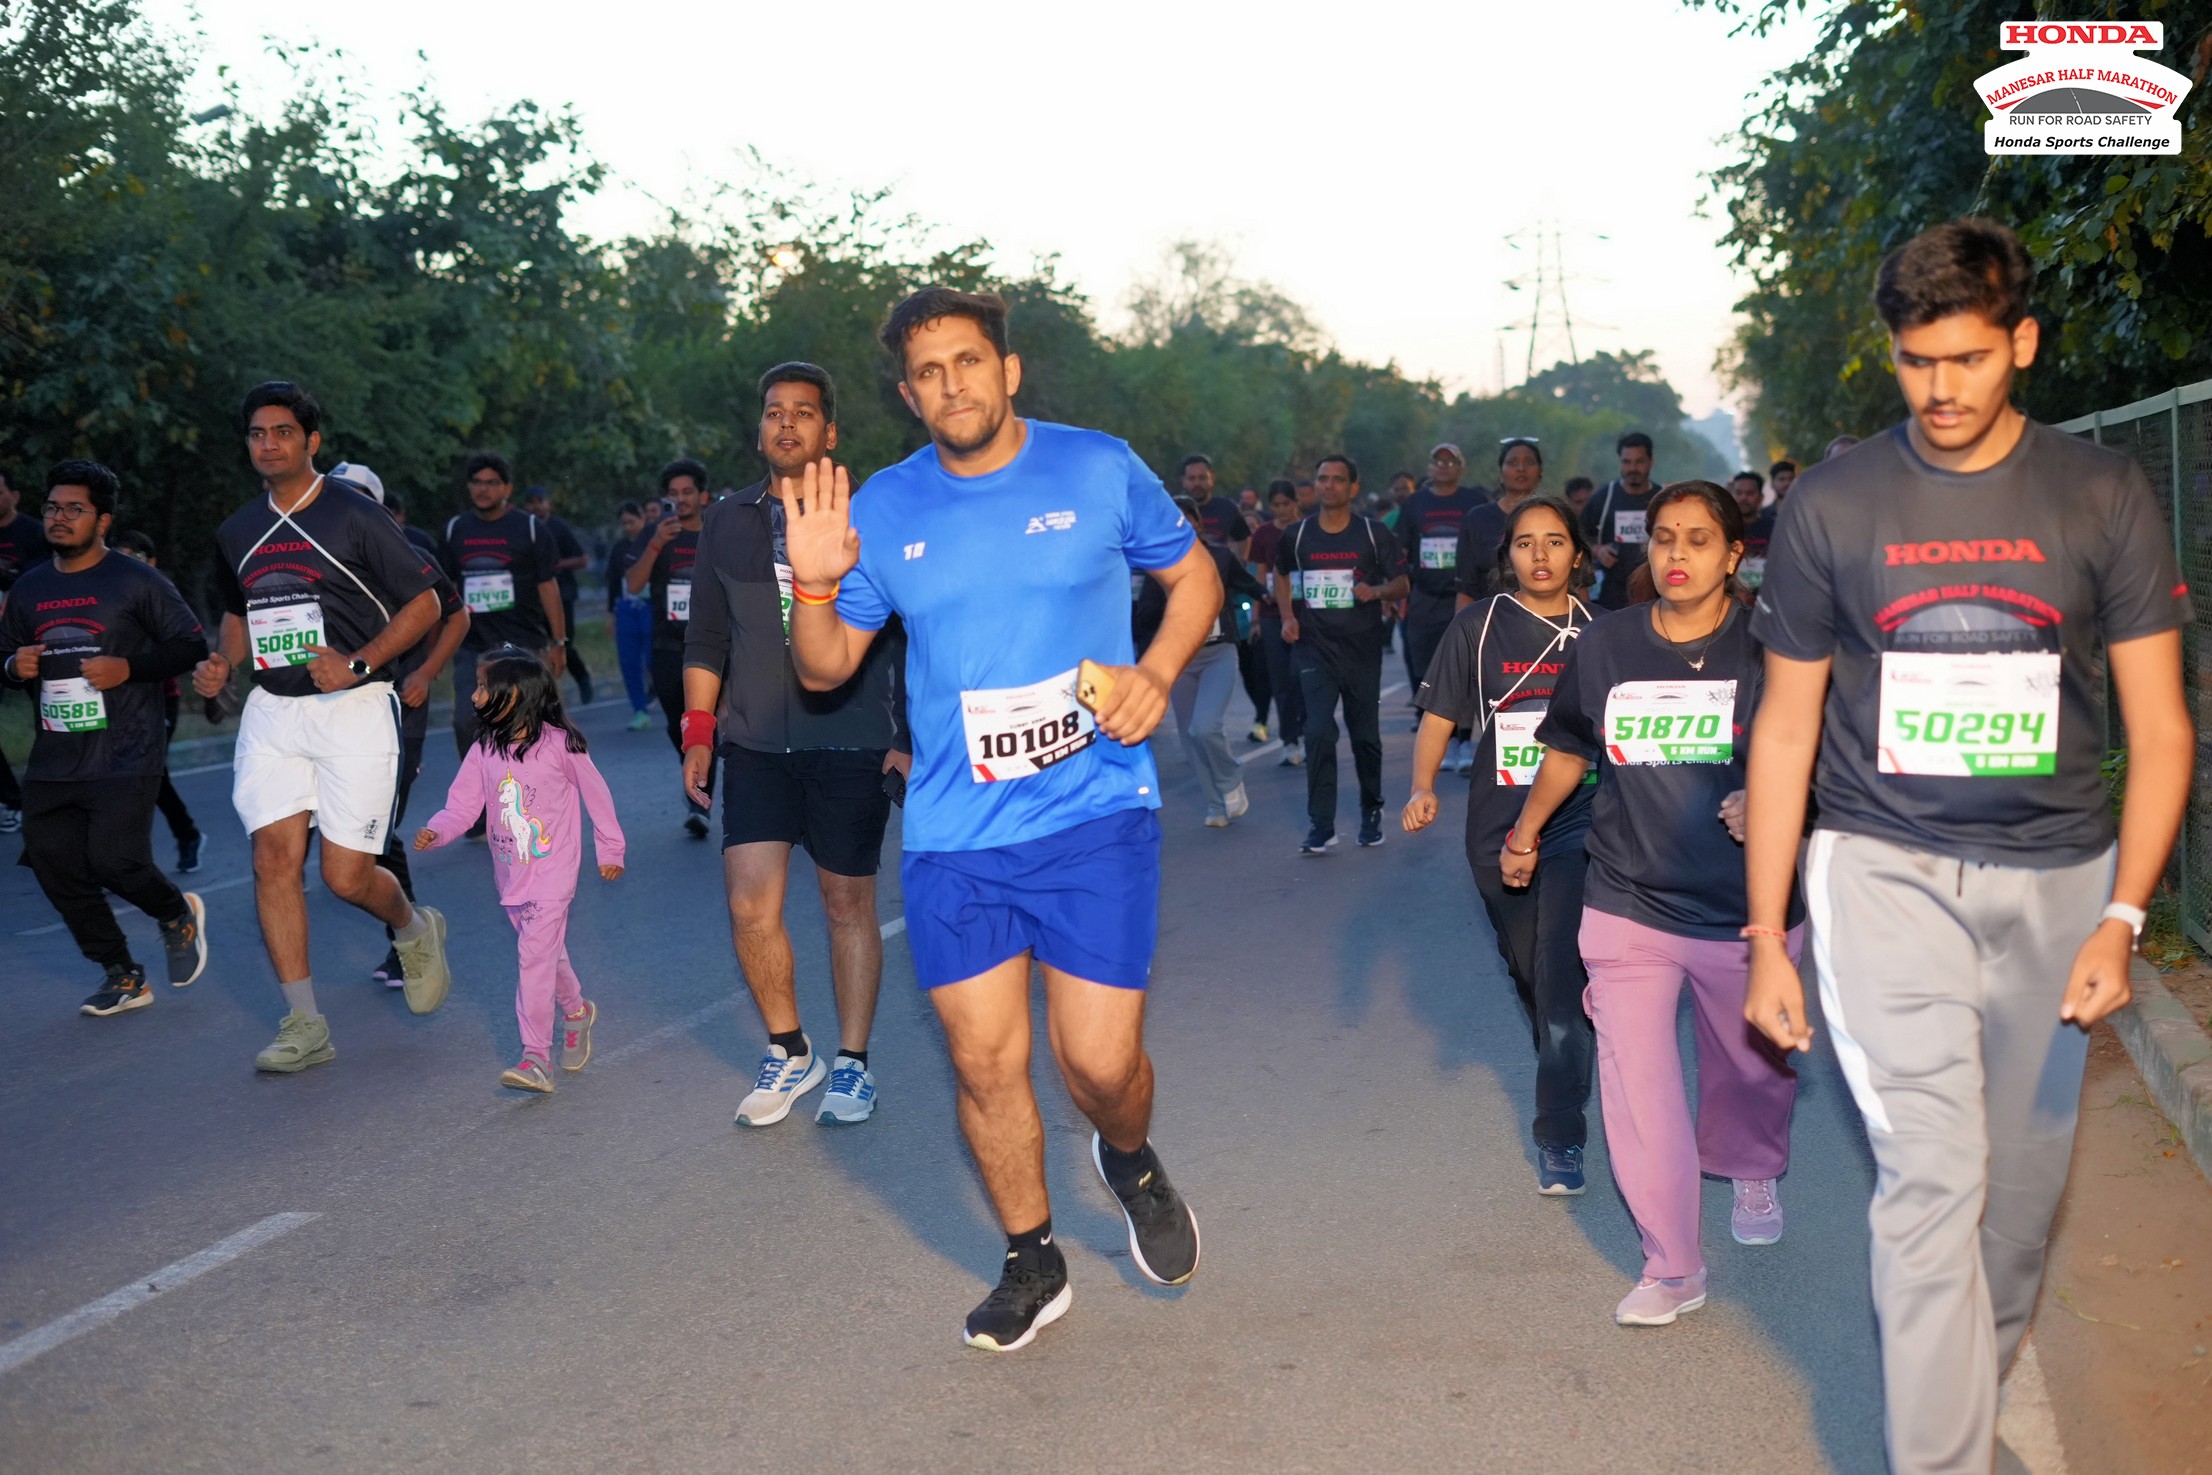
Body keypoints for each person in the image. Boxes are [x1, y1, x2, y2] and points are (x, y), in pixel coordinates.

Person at [1741, 217, 2194, 1475]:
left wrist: (2125, 914)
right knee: (1932, 1182)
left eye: (1968, 358)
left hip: (2060, 883)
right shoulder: (1833, 504)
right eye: (1915, 361)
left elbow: (2160, 727)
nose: (1939, 389)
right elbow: (1783, 730)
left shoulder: (2100, 493)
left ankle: (1960, 1414)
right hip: (1880, 870)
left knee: (2016, 1214)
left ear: (2022, 343)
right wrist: (1764, 933)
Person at [779, 286, 1219, 1353]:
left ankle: (1130, 1158)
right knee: (983, 1062)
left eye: (969, 361)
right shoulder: (885, 506)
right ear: (908, 394)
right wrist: (817, 589)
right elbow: (825, 668)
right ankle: (1033, 1257)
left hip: (1093, 812)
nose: (952, 385)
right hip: (954, 834)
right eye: (928, 372)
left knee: (1099, 1064)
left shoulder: (1097, 466)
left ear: (1008, 369)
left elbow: (1195, 577)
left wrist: (1156, 673)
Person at [1505, 479, 1802, 1328]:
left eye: (1699, 539)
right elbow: (1569, 747)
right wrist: (1526, 830)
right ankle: (1671, 1264)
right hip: (1628, 897)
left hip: (1747, 905)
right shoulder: (1606, 645)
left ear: (1734, 554)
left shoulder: (1774, 646)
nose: (1677, 553)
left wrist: (1772, 799)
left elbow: (1818, 750)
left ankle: (1752, 1165)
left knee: (1751, 1065)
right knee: (1638, 1085)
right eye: (1665, 537)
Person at [193, 380, 456, 1072]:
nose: (268, 445)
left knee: (345, 877)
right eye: (257, 434)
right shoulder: (237, 531)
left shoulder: (354, 514)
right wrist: (222, 661)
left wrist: (359, 661)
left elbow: (428, 603)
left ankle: (412, 926)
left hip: (354, 707)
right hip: (274, 711)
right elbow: (238, 612)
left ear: (311, 441)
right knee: (272, 860)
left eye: (282, 432)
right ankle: (304, 1024)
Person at [679, 362, 909, 1129]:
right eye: (774, 411)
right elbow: (706, 636)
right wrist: (699, 730)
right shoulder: (725, 521)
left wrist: (907, 736)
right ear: (760, 430)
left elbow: (910, 633)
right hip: (754, 741)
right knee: (749, 904)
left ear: (829, 431)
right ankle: (789, 1048)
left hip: (850, 739)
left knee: (846, 902)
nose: (786, 423)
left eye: (803, 412)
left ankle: (853, 1063)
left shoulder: (868, 517)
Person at [1404, 495, 1598, 1193]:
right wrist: (1422, 785)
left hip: (1579, 818)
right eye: (1524, 543)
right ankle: (1565, 1043)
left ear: (1579, 553)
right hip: (1496, 823)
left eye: (1555, 541)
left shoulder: (1602, 631)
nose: (1540, 555)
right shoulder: (1477, 626)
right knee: (1530, 971)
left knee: (1560, 975)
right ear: (1507, 554)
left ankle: (1560, 1134)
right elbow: (1439, 716)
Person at [3, 462, 210, 1014]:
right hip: (55, 754)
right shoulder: (29, 587)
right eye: (52, 507)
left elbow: (190, 645)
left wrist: (129, 668)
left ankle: (174, 913)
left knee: (115, 861)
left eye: (74, 509)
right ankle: (122, 973)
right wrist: (12, 666)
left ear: (102, 520)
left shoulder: (136, 580)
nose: (59, 517)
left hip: (127, 748)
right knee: (54, 864)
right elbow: (4, 656)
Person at [416, 648, 623, 1092]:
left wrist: (611, 850)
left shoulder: (561, 745)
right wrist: (438, 830)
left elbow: (598, 797)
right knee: (547, 953)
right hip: (511, 875)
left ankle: (535, 1057)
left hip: (553, 874)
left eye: (483, 687)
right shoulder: (484, 748)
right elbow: (463, 806)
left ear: (513, 696)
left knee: (533, 958)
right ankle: (577, 1012)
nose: (474, 696)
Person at [356, 473, 471, 987]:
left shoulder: (411, 552)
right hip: (337, 715)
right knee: (354, 843)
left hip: (401, 709)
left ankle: (408, 941)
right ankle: (408, 933)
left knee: (378, 830)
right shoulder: (318, 557)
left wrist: (425, 673)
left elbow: (457, 617)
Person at [1274, 454, 1408, 853]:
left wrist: (1376, 591)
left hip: (1361, 650)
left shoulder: (1372, 533)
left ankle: (1371, 811)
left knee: (1365, 737)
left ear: (1352, 487)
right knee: (1317, 732)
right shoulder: (1297, 535)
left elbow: (1402, 583)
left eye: (1337, 479)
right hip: (1314, 649)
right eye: (1322, 478)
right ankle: (1322, 824)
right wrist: (1287, 616)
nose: (1328, 485)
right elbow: (1281, 573)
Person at [1140, 496, 1265, 826]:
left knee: (1205, 727)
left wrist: (1273, 603)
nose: (1182, 524)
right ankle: (1215, 805)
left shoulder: (1220, 557)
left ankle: (1230, 778)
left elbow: (1249, 584)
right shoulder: (1158, 565)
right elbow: (1145, 614)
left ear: (1198, 523)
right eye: (1174, 519)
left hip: (1218, 653)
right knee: (1189, 736)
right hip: (1182, 660)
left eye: (1188, 518)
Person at [440, 451, 563, 765]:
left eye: (492, 483)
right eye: (477, 482)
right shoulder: (455, 529)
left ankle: (530, 788)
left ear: (507, 488)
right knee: (466, 721)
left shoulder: (530, 528)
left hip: (523, 644)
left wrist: (559, 642)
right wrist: (438, 649)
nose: (483, 489)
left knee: (526, 726)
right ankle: (479, 789)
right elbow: (445, 592)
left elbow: (548, 587)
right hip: (473, 647)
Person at [107, 529, 202, 873]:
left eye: (136, 557)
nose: (128, 564)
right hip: (116, 699)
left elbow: (187, 646)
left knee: (149, 774)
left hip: (160, 699)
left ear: (152, 561)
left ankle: (182, 837)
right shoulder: (106, 595)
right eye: (119, 557)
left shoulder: (159, 594)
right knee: (120, 775)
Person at [629, 459, 715, 837]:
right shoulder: (655, 534)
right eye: (673, 494)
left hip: (712, 644)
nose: (680, 500)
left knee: (708, 722)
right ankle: (692, 763)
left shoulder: (717, 532)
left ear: (703, 496)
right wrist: (656, 544)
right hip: (667, 644)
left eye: (687, 492)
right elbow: (633, 585)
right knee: (676, 722)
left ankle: (701, 802)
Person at [1398, 443, 1483, 762]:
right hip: (1425, 598)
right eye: (1438, 461)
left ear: (1462, 467)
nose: (1444, 466)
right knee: (1427, 670)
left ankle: (1463, 739)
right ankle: (1441, 741)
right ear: (1429, 467)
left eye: (1451, 461)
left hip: (1466, 596)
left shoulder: (1474, 502)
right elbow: (1400, 550)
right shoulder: (1415, 503)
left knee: (1465, 668)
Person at [0, 464, 53, 835]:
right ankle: (12, 798)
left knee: (50, 722)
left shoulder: (34, 533)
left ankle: (56, 798)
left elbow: (44, 576)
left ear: (14, 495)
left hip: (31, 641)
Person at [1248, 481, 1305, 767]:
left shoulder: (1308, 529)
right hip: (1272, 616)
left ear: (1296, 503)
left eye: (1286, 504)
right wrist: (1255, 616)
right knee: (1281, 680)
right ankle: (1289, 740)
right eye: (1276, 505)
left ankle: (1308, 734)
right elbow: (1259, 574)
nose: (1282, 510)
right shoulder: (1263, 533)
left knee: (1304, 677)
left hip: (1306, 614)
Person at [520, 485, 594, 705]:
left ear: (548, 503)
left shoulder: (558, 527)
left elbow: (582, 559)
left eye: (540, 501)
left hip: (562, 594)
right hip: (534, 598)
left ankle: (582, 677)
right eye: (531, 502)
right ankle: (545, 694)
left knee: (563, 642)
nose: (536, 506)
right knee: (538, 645)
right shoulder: (523, 528)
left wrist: (555, 565)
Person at [1581, 431, 1658, 611]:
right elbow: (1577, 536)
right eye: (1627, 462)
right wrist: (1597, 550)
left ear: (1651, 462)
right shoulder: (1603, 498)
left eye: (1639, 461)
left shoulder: (1661, 499)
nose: (1633, 468)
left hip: (1654, 594)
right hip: (1610, 597)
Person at [606, 500, 656, 730]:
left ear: (642, 518)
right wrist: (611, 613)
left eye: (632, 522)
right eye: (624, 523)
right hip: (626, 609)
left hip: (651, 607)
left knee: (653, 658)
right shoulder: (619, 548)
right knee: (629, 661)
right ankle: (639, 709)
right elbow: (613, 582)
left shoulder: (655, 542)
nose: (628, 527)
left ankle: (663, 693)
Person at [1731, 470, 1776, 594]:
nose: (1743, 498)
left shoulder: (1774, 529)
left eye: (1750, 493)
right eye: (1739, 493)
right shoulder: (1721, 529)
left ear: (1761, 497)